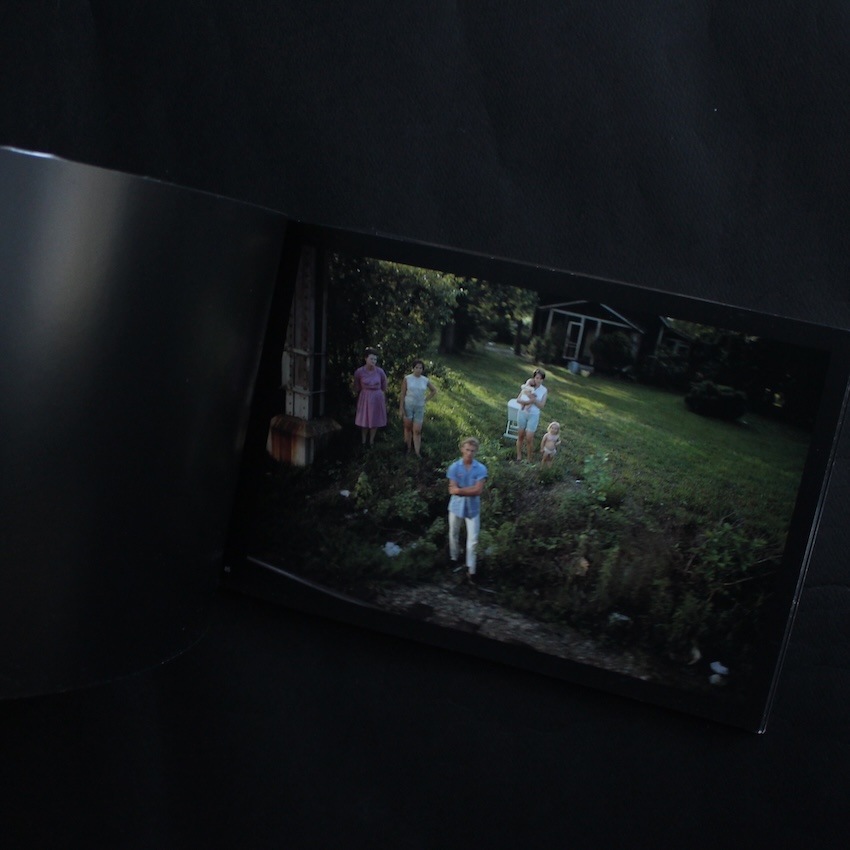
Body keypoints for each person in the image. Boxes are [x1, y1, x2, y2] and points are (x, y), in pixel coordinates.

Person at [447, 437, 488, 584]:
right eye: (467, 450)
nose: (469, 453)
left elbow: (478, 490)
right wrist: (467, 490)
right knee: (453, 533)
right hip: (456, 507)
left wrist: (460, 490)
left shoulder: (481, 468)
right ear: (462, 449)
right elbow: (452, 489)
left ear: (476, 451)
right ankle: (453, 558)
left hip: (472, 508)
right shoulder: (454, 467)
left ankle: (472, 569)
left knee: (473, 540)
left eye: (472, 450)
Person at [398, 358, 437, 456]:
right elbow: (402, 393)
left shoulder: (425, 380)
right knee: (407, 427)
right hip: (408, 406)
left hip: (419, 407)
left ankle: (417, 452)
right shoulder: (407, 378)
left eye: (420, 368)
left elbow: (433, 390)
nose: (418, 370)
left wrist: (425, 400)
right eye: (416, 367)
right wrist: (401, 408)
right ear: (413, 368)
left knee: (417, 430)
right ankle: (407, 448)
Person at [353, 348, 388, 446]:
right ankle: (363, 441)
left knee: (375, 419)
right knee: (364, 419)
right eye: (371, 359)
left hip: (377, 397)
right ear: (366, 359)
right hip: (365, 397)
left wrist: (380, 393)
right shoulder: (359, 372)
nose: (373, 361)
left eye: (375, 359)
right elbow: (356, 386)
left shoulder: (380, 371)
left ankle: (371, 441)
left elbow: (384, 385)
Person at [515, 368, 548, 462]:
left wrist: (533, 400)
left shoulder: (544, 390)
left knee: (529, 438)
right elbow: (518, 400)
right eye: (537, 378)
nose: (538, 380)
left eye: (541, 379)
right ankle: (519, 456)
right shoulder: (527, 386)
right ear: (534, 378)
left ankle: (529, 458)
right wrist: (528, 402)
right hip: (522, 413)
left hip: (533, 415)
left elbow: (541, 405)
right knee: (520, 435)